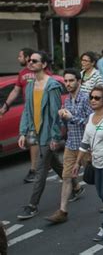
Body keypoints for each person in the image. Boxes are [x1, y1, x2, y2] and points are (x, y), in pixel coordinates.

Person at [17, 51, 64, 220]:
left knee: (41, 168)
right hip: (35, 132)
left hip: (47, 134)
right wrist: (23, 132)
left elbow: (55, 114)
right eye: (29, 60)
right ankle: (75, 186)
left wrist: (55, 137)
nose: (30, 63)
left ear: (44, 64)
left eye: (34, 61)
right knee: (54, 162)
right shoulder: (29, 85)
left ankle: (32, 205)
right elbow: (27, 111)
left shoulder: (52, 86)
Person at [44, 69, 92, 224]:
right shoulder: (67, 100)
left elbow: (92, 123)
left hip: (86, 146)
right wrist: (63, 117)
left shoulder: (86, 98)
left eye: (71, 80)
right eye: (66, 81)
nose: (68, 84)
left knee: (97, 178)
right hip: (71, 144)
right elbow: (68, 124)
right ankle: (62, 211)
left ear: (79, 81)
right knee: (66, 177)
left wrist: (72, 117)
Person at [74, 85, 103, 241]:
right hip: (95, 161)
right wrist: (78, 163)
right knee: (101, 193)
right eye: (91, 97)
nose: (93, 100)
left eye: (97, 98)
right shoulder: (91, 117)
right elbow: (85, 142)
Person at [0, 47, 44, 183]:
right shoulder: (22, 73)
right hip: (29, 112)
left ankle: (37, 169)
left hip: (42, 111)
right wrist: (6, 106)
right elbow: (15, 91)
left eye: (20, 56)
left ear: (27, 58)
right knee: (34, 140)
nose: (18, 59)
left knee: (42, 140)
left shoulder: (41, 71)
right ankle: (35, 169)